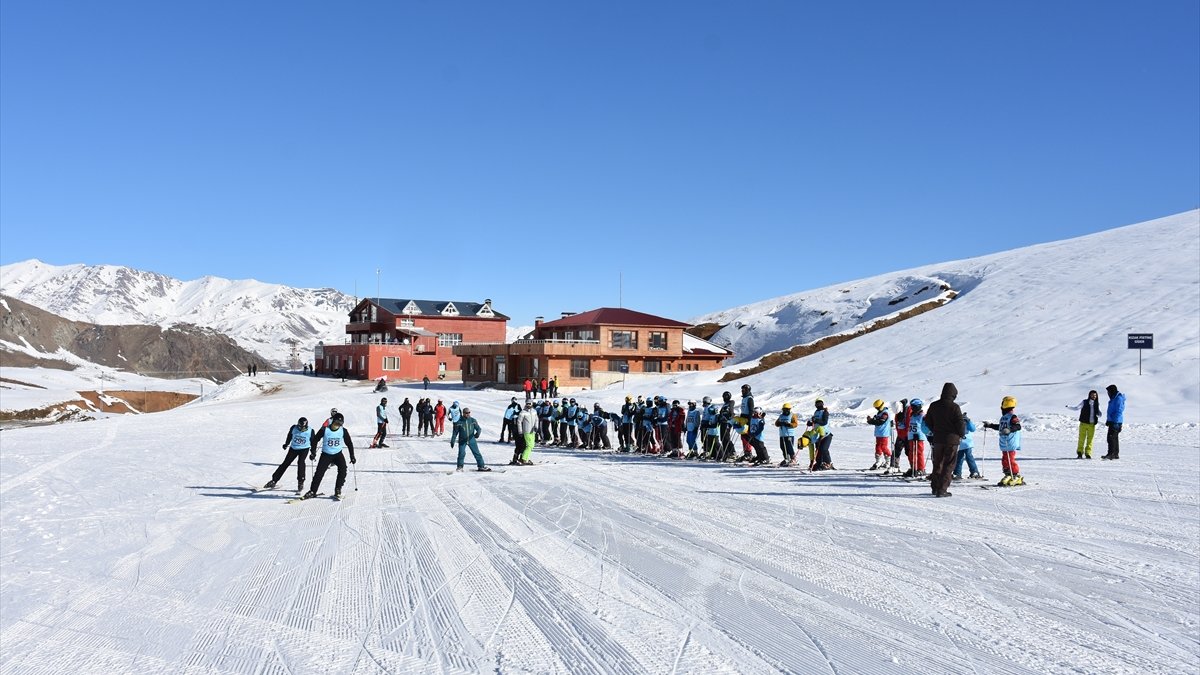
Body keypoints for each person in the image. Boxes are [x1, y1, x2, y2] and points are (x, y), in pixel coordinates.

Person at [923, 383, 965, 498]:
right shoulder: (954, 407)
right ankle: (942, 490)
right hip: (952, 440)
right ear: (953, 394)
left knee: (938, 463)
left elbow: (927, 421)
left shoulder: (934, 405)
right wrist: (962, 434)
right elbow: (960, 423)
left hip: (938, 439)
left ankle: (935, 488)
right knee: (949, 465)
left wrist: (935, 429)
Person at [302, 412, 357, 500]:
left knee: (343, 470)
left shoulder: (343, 431)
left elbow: (349, 443)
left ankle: (338, 489)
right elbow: (315, 440)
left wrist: (352, 456)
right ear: (332, 421)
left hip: (338, 454)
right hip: (326, 455)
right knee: (319, 473)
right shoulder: (325, 430)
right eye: (336, 423)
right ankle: (312, 491)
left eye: (340, 424)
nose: (337, 425)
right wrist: (313, 452)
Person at [264, 416, 313, 492]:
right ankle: (274, 480)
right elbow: (290, 435)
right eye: (300, 427)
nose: (301, 429)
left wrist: (313, 452)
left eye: (303, 428)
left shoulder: (310, 431)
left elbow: (313, 441)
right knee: (285, 463)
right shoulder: (294, 428)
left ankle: (301, 482)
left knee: (301, 463)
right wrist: (286, 443)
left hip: (304, 449)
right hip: (293, 448)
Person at [983, 395, 1025, 486]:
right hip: (1005, 442)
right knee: (1005, 459)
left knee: (1010, 459)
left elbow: (1018, 426)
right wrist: (990, 425)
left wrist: (1010, 430)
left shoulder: (1013, 416)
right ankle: (1008, 474)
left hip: (1010, 442)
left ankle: (1016, 475)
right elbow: (1000, 427)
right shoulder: (1004, 418)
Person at [451, 407, 491, 472]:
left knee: (477, 453)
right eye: (466, 413)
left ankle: (481, 466)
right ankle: (460, 467)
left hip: (471, 439)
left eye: (469, 412)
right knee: (461, 453)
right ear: (463, 413)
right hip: (462, 441)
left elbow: (478, 428)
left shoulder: (473, 420)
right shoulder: (459, 422)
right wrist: (452, 440)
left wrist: (478, 433)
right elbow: (455, 433)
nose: (468, 414)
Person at [953, 411, 984, 481]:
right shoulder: (956, 422)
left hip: (967, 443)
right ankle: (957, 473)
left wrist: (968, 421)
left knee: (969, 457)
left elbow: (973, 429)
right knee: (959, 458)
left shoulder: (966, 422)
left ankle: (974, 472)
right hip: (960, 443)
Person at [866, 400, 893, 470]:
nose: (877, 409)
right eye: (876, 408)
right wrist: (871, 420)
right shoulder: (879, 413)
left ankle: (888, 461)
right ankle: (878, 461)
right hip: (879, 433)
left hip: (884, 433)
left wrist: (871, 421)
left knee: (883, 447)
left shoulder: (885, 413)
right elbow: (876, 420)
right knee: (878, 447)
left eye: (877, 407)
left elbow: (879, 422)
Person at [1075, 390, 1102, 459]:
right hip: (1083, 423)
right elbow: (1077, 408)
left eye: (1095, 395)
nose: (1094, 396)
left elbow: (1099, 414)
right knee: (1081, 439)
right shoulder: (1084, 402)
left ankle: (1088, 453)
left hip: (1092, 425)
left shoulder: (1097, 404)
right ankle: (1080, 453)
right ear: (1089, 395)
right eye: (1092, 395)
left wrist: (1099, 414)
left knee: (1090, 440)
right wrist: (1068, 407)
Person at [905, 398, 928, 478]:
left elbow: (925, 426)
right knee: (911, 453)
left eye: (914, 407)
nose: (912, 408)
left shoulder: (922, 415)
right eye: (912, 407)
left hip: (918, 437)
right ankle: (913, 468)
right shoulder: (912, 415)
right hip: (911, 436)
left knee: (919, 453)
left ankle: (921, 469)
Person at [1102, 384, 1126, 460]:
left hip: (1116, 421)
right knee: (1113, 438)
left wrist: (1113, 421)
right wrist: (1108, 420)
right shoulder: (1114, 398)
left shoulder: (1118, 398)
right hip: (1113, 420)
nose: (1108, 393)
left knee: (1111, 438)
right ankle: (1115, 454)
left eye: (1108, 391)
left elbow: (1119, 411)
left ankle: (1111, 454)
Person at [513, 400, 538, 465]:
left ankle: (526, 458)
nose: (528, 405)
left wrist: (536, 426)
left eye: (529, 404)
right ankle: (523, 459)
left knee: (532, 446)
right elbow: (519, 422)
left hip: (533, 431)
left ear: (532, 404)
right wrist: (520, 431)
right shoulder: (523, 412)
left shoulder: (534, 411)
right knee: (529, 445)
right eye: (527, 404)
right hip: (526, 431)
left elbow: (536, 419)